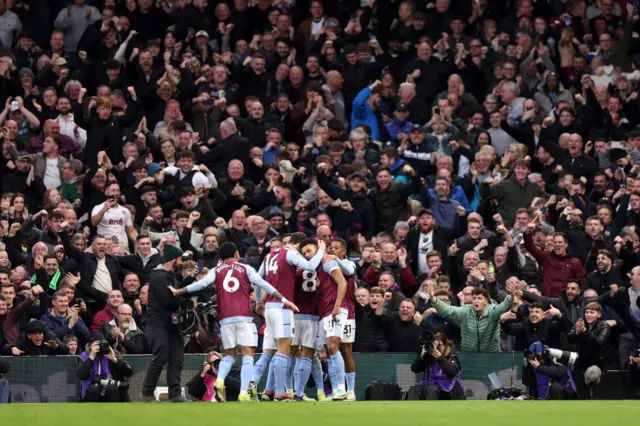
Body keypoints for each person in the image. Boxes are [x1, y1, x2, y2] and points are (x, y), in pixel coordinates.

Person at [170, 242, 298, 402]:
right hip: (244, 317)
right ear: (237, 254)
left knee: (229, 355)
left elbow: (201, 283)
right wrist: (285, 300)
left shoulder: (215, 270)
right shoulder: (246, 269)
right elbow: (264, 284)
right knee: (248, 356)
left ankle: (219, 380)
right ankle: (244, 392)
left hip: (225, 319)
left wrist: (179, 291)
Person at [256, 232, 327, 402]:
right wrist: (322, 252)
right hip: (304, 314)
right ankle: (296, 393)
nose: (306, 253)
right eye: (306, 250)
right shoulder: (321, 265)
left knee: (283, 353)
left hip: (291, 312)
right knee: (304, 354)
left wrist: (261, 300)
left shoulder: (289, 266)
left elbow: (262, 280)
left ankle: (273, 390)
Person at [141, 245, 189, 403]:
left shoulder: (169, 276)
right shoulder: (160, 277)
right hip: (157, 324)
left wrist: (181, 293)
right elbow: (168, 301)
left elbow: (174, 298)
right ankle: (147, 393)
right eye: (180, 259)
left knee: (176, 357)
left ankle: (174, 393)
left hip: (171, 324)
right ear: (173, 259)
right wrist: (182, 298)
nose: (182, 262)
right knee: (161, 355)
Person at [77, 334, 133, 403]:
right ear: (89, 345)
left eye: (101, 343)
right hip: (90, 391)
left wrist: (114, 359)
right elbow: (81, 375)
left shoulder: (112, 353)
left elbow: (129, 372)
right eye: (96, 344)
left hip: (110, 390)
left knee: (112, 388)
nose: (99, 346)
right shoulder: (84, 356)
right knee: (92, 389)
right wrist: (91, 357)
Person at [408, 332, 465, 400]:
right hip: (430, 384)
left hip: (447, 387)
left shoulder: (451, 355)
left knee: (431, 389)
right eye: (435, 345)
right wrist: (421, 357)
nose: (437, 348)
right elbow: (415, 369)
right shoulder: (429, 356)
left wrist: (440, 358)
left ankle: (430, 410)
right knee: (414, 389)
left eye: (439, 345)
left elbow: (453, 372)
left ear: (445, 345)